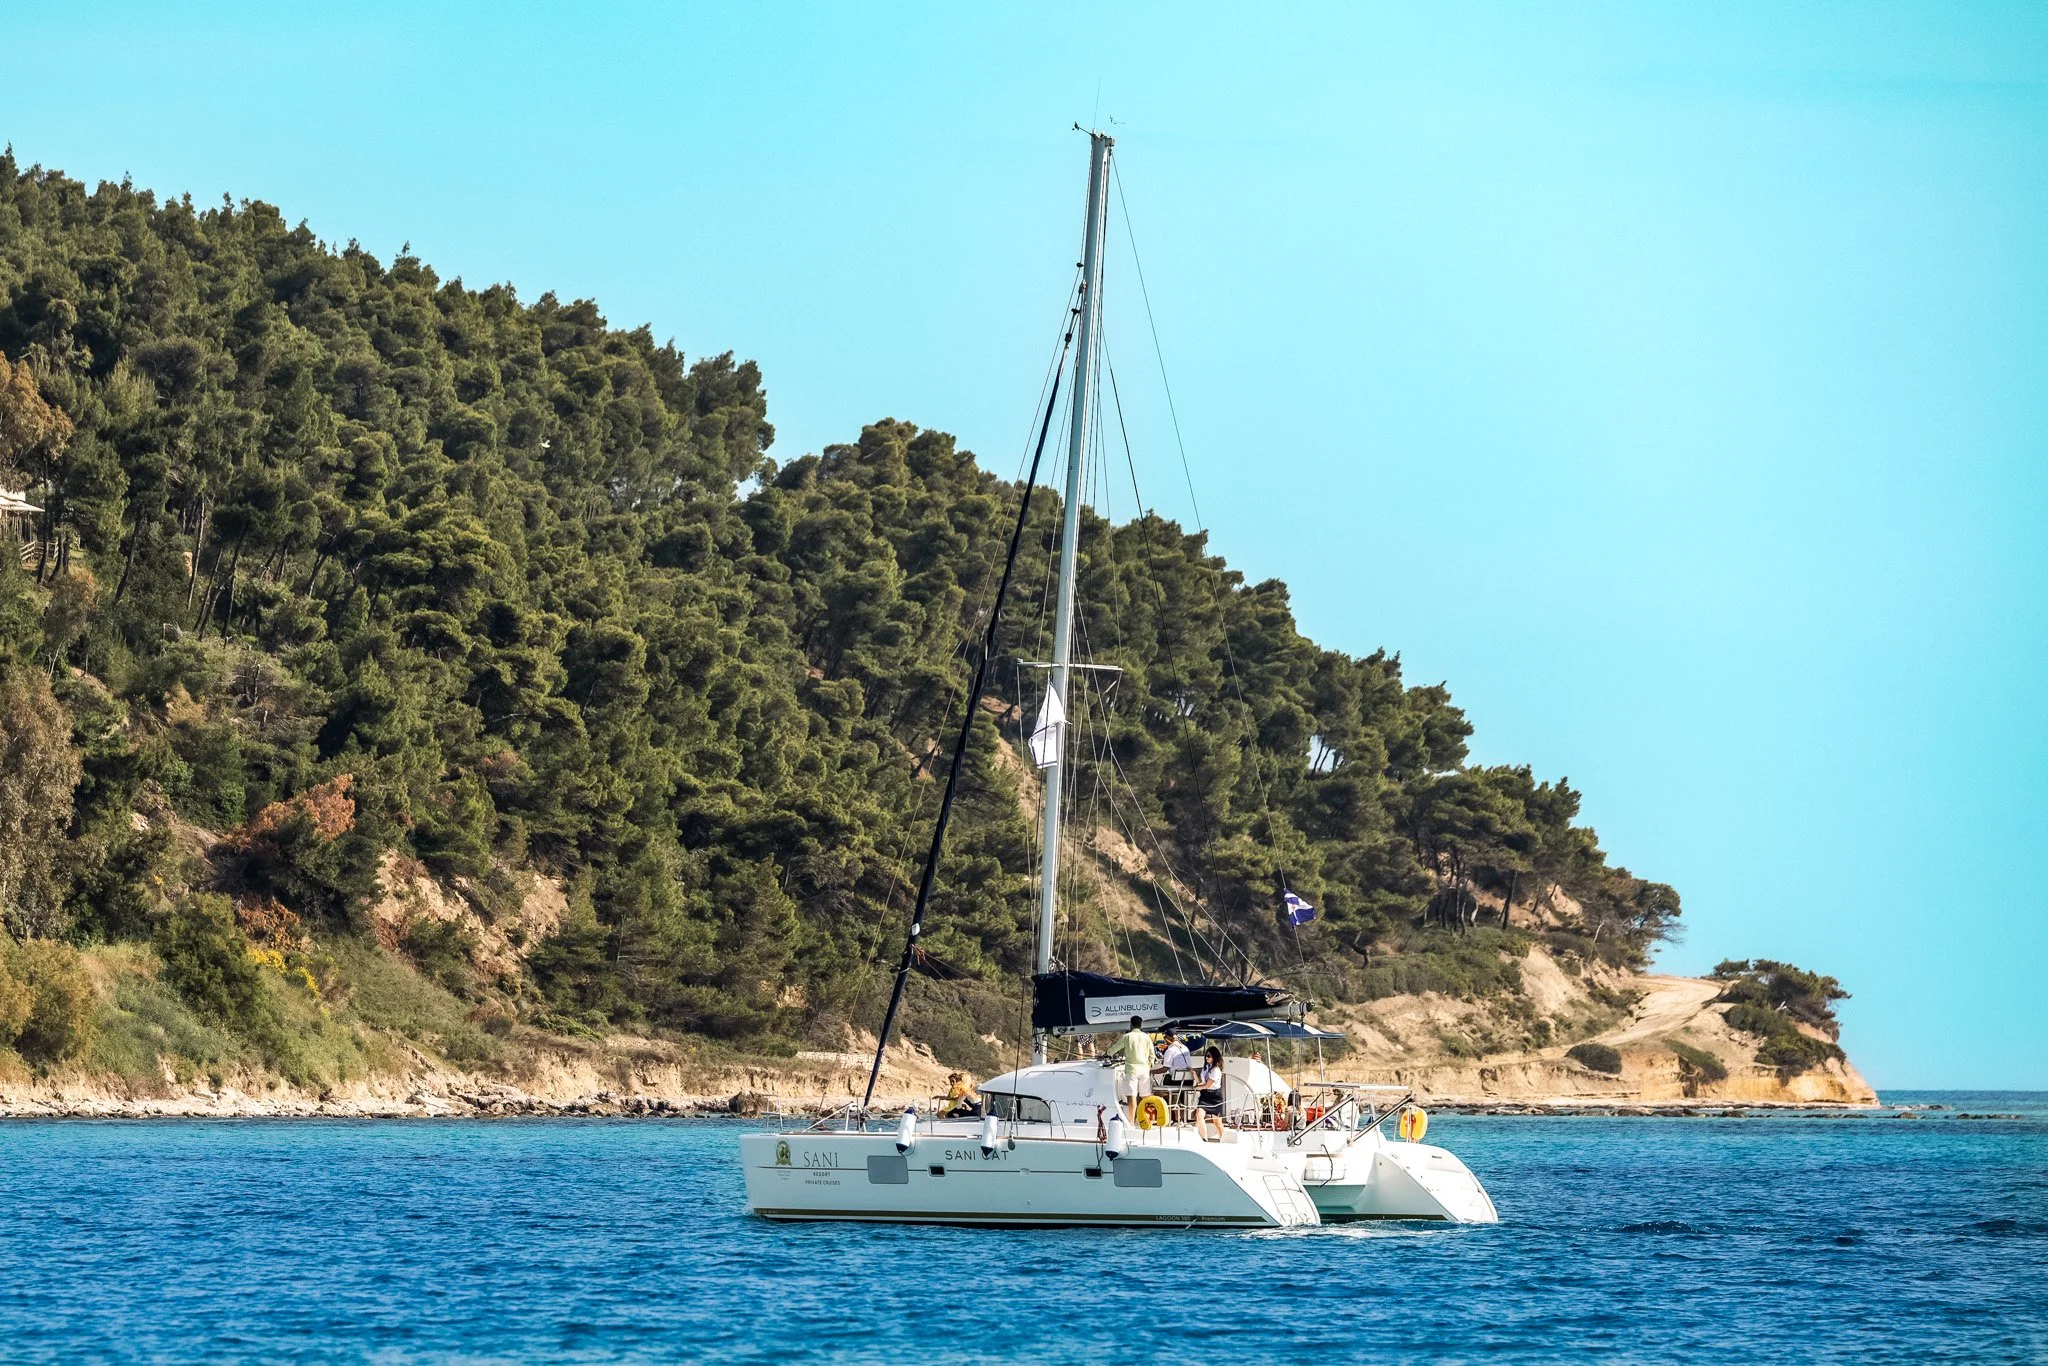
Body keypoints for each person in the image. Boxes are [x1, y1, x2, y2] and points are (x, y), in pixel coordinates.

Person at [1115, 1015, 1153, 1121]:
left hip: (1132, 1069)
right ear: (1141, 1025)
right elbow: (1152, 1055)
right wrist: (1149, 1065)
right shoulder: (1147, 1037)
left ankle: (1131, 1121)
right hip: (1144, 1069)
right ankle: (1147, 1120)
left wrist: (1107, 1053)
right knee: (1145, 1096)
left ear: (1130, 1025)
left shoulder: (1127, 1036)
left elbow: (1114, 1048)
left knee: (1132, 1096)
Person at [1194, 1046, 1227, 1141]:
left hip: (1215, 1096)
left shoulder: (1216, 1070)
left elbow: (1208, 1085)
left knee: (1217, 1121)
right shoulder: (1205, 1068)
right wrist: (1194, 1074)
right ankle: (1204, 1139)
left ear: (1214, 1057)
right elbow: (1202, 1082)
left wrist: (1198, 1088)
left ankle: (1223, 1139)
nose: (1207, 1058)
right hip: (1205, 1095)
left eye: (1209, 1056)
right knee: (1199, 1116)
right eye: (1206, 1055)